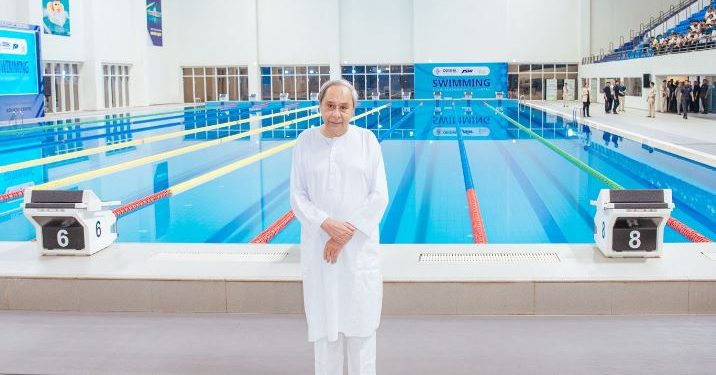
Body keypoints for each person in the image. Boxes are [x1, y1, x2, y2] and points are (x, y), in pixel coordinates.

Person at [290, 79, 388, 375]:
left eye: (343, 107)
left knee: (361, 332)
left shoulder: (367, 141)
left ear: (353, 109)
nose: (336, 113)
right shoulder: (305, 142)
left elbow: (379, 196)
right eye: (330, 106)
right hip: (321, 250)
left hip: (358, 251)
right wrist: (326, 224)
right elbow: (298, 196)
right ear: (320, 106)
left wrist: (344, 234)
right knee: (325, 332)